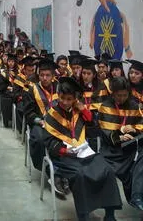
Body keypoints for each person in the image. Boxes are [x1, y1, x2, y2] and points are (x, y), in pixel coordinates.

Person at [42, 77, 122, 221]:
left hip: (85, 152)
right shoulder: (51, 115)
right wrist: (64, 151)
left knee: (108, 171)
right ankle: (83, 216)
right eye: (62, 98)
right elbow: (48, 141)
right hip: (63, 157)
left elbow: (94, 129)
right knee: (81, 176)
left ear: (75, 99)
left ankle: (110, 215)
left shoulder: (78, 112)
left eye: (69, 99)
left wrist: (84, 110)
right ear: (58, 95)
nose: (65, 102)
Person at [97, 77, 143, 206]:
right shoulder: (105, 106)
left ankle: (136, 200)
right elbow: (104, 130)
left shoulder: (134, 105)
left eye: (125, 95)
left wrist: (134, 129)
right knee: (108, 174)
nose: (121, 98)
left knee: (137, 170)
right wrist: (120, 136)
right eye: (118, 95)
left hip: (130, 150)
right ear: (113, 93)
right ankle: (110, 210)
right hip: (110, 150)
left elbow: (141, 123)